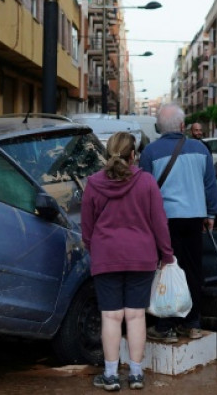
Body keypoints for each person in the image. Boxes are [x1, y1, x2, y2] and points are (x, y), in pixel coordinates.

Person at [81, 132, 175, 392]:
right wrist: (166, 255)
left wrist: (95, 247)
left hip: (106, 256)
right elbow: (159, 223)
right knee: (135, 317)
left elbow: (86, 227)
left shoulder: (93, 183)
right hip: (141, 257)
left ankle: (110, 376)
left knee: (110, 317)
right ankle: (135, 375)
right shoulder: (146, 182)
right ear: (133, 155)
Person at [139, 103, 217, 342]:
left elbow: (144, 190)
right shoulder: (200, 149)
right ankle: (192, 323)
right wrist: (211, 214)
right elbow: (210, 185)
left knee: (167, 270)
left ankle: (166, 326)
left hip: (164, 221)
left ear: (158, 128)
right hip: (195, 218)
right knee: (193, 270)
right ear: (183, 126)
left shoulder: (150, 152)